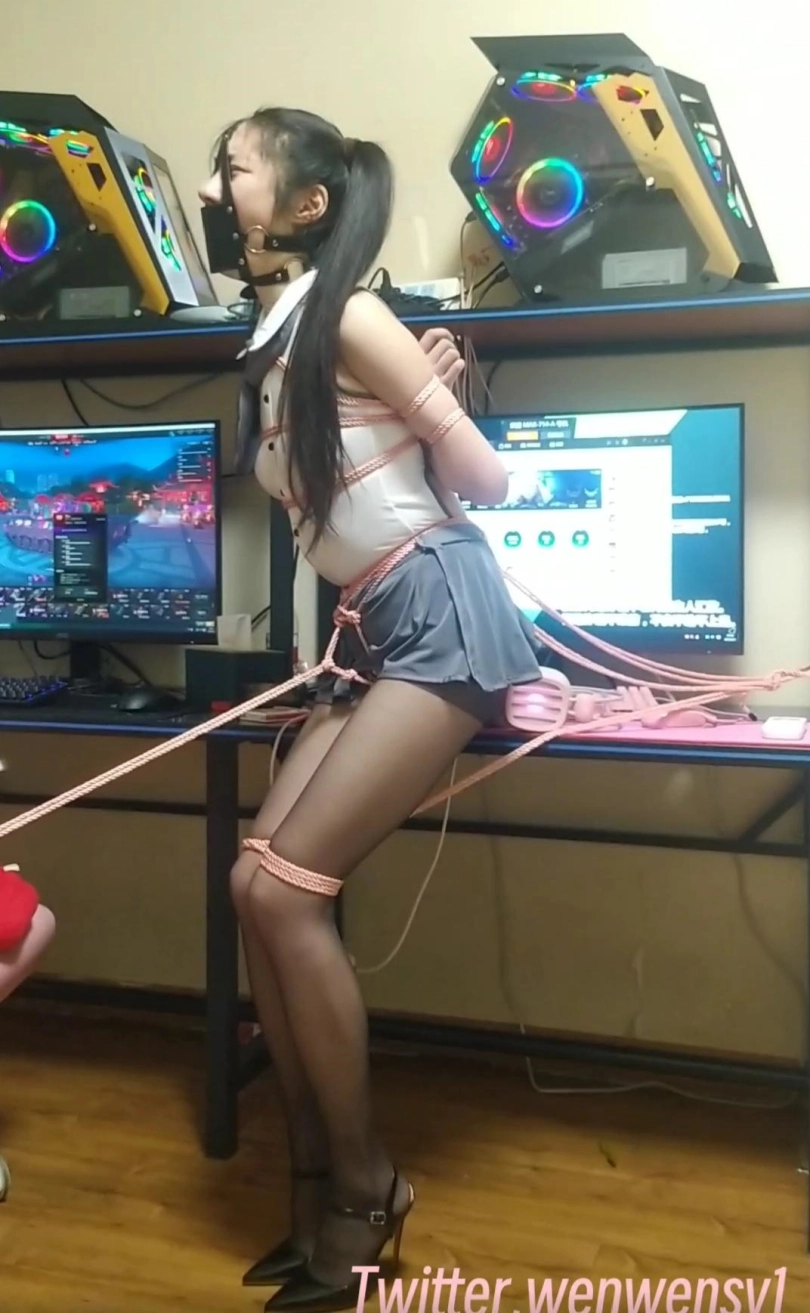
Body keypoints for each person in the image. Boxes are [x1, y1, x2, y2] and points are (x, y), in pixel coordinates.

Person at [198, 107, 543, 1312]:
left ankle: (362, 1185)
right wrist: (412, 407)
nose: (214, 189)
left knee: (288, 891)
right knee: (255, 884)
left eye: (234, 169)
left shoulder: (348, 314)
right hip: (378, 626)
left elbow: (489, 479)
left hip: (440, 610)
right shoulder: (281, 330)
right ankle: (315, 1188)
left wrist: (433, 402)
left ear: (306, 206)